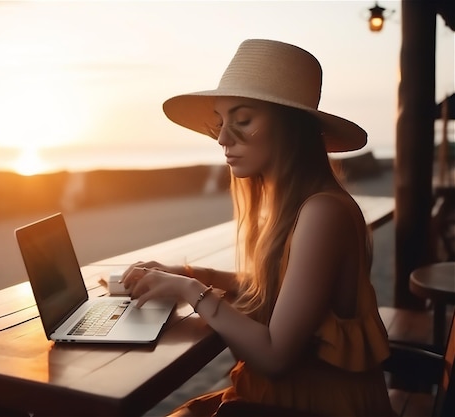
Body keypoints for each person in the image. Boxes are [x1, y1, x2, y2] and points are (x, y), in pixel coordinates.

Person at [121, 39, 394, 416]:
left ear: (290, 127)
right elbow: (279, 285)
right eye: (220, 121)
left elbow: (274, 356)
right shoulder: (305, 203)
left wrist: (191, 290)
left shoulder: (322, 213)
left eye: (243, 120)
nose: (221, 137)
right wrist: (185, 272)